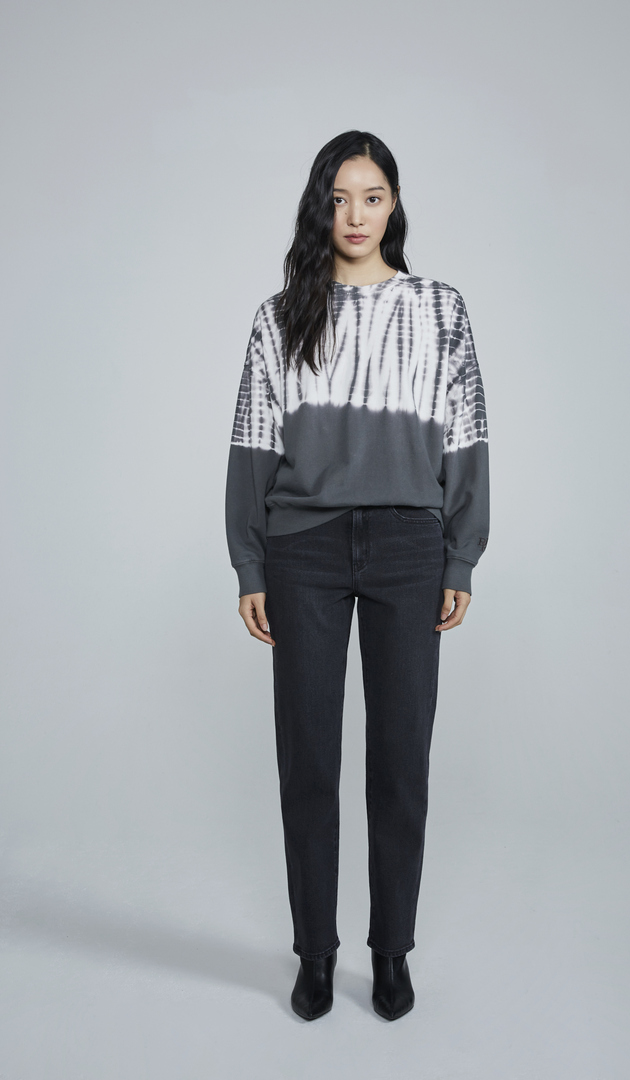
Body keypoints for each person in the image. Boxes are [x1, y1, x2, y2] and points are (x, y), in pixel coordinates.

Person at [225, 130, 489, 1021]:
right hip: (301, 548)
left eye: (372, 197)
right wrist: (249, 562)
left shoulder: (441, 310)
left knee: (400, 761)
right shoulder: (280, 317)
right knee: (307, 759)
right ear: (320, 207)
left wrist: (460, 552)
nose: (355, 215)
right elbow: (252, 441)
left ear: (394, 204)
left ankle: (390, 951)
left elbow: (467, 432)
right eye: (339, 198)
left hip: (410, 549)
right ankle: (315, 952)